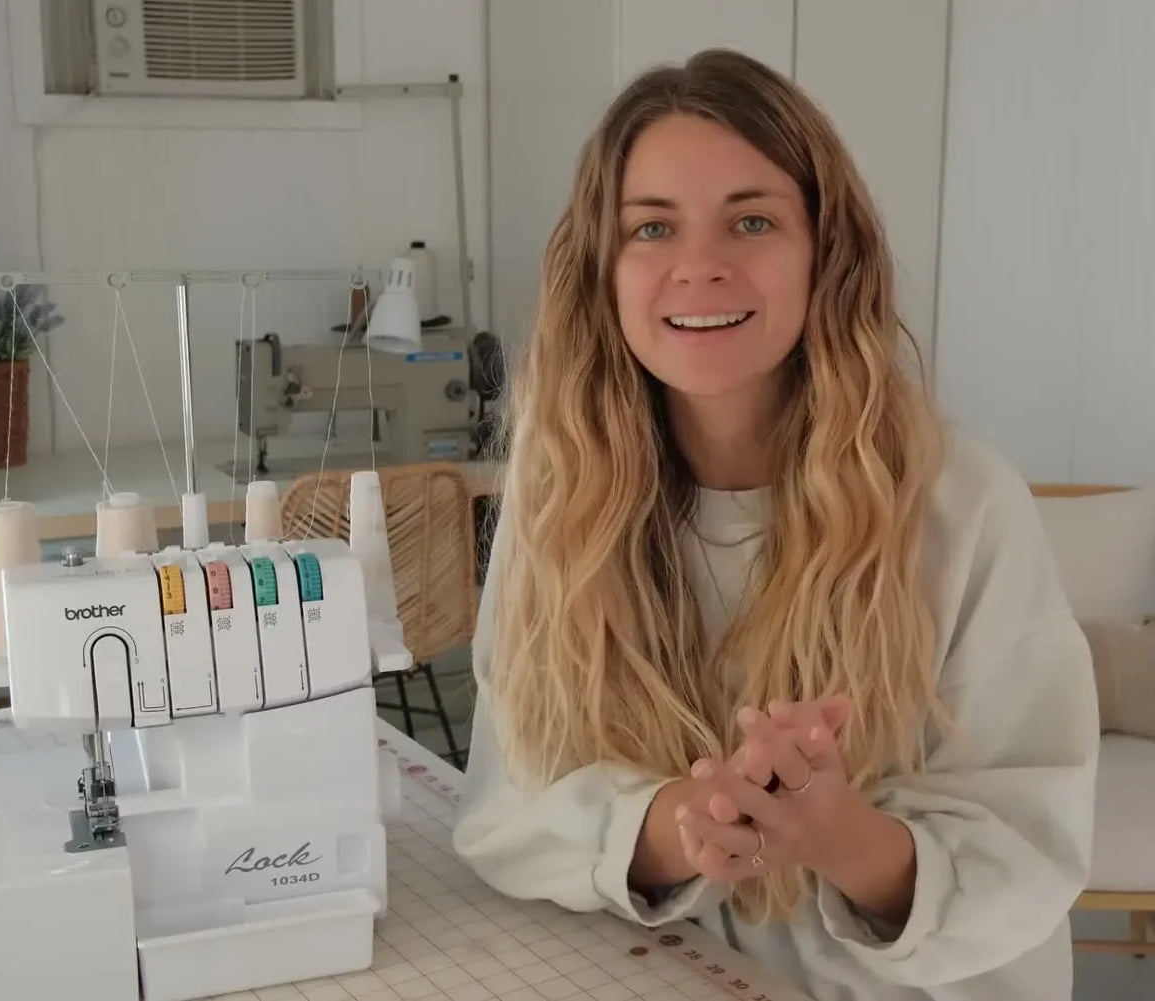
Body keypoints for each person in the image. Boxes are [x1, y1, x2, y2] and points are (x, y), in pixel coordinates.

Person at [451, 47, 1099, 1001]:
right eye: (652, 228)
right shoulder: (561, 504)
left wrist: (838, 836)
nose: (699, 266)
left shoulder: (962, 508)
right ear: (603, 269)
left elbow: (1032, 846)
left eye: (751, 220)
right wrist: (684, 825)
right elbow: (507, 799)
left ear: (825, 253)